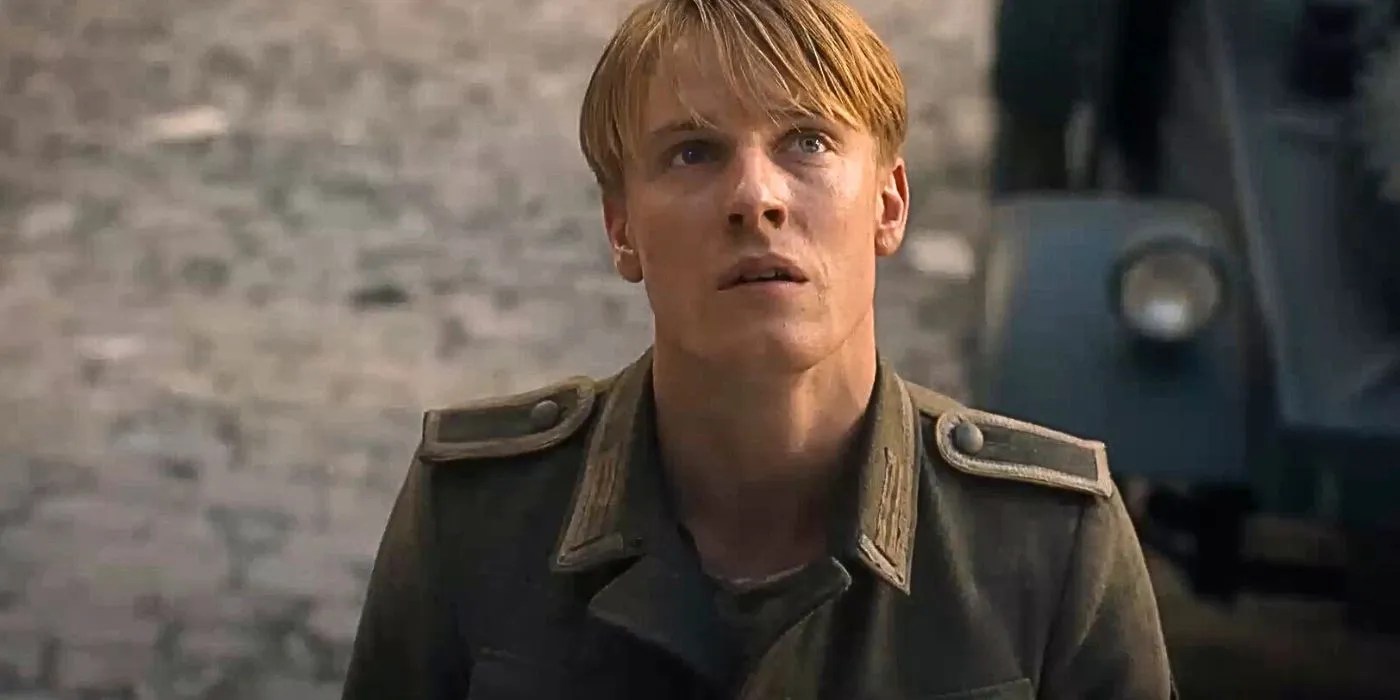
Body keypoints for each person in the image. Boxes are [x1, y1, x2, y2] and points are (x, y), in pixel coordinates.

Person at [341, 0, 1175, 697]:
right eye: (693, 152)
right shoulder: (480, 519)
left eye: (806, 141)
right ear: (621, 228)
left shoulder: (1045, 548)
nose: (755, 196)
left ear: (888, 205)